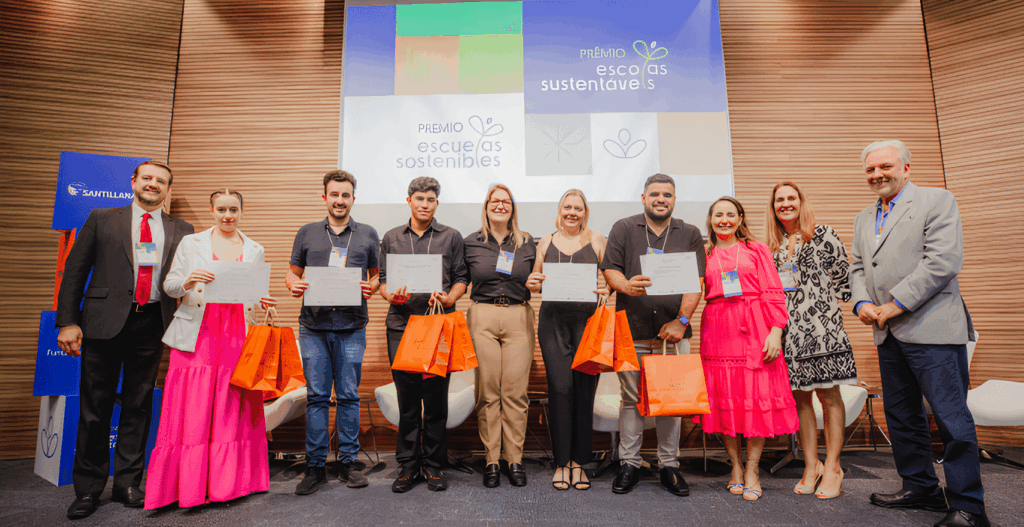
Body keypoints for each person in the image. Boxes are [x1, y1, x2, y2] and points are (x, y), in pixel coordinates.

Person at [851, 140, 986, 527]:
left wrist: (895, 303)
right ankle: (920, 487)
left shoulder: (937, 201)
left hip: (932, 329)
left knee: (951, 419)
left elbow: (943, 260)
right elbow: (857, 267)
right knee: (902, 416)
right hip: (886, 332)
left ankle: (969, 508)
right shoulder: (864, 217)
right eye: (870, 169)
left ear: (906, 168)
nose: (877, 174)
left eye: (885, 167)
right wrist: (861, 304)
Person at [55, 161, 194, 520]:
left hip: (152, 324)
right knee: (94, 408)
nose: (153, 184)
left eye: (161, 181)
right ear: (133, 182)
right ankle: (87, 489)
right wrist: (68, 321)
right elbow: (74, 272)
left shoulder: (183, 229)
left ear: (167, 190)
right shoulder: (102, 218)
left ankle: (128, 483)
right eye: (147, 178)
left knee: (138, 405)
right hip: (101, 323)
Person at [144, 189, 276, 509]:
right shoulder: (192, 243)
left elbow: (252, 298)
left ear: (242, 211)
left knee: (231, 408)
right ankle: (188, 486)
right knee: (194, 407)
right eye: (221, 209)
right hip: (197, 332)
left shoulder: (254, 248)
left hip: (236, 334)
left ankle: (228, 484)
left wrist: (262, 300)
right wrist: (188, 281)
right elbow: (170, 285)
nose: (227, 215)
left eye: (233, 209)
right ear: (212, 210)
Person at [599, 174, 706, 497]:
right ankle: (629, 463)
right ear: (643, 197)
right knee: (630, 401)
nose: (661, 199)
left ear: (674, 199)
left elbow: (696, 282)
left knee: (671, 402)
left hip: (672, 336)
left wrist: (682, 321)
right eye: (655, 194)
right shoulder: (624, 228)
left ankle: (669, 466)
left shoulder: (689, 233)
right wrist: (625, 285)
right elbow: (610, 269)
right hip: (631, 329)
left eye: (667, 195)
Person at [698, 196, 798, 502]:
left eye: (730, 214)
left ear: (740, 218)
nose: (724, 220)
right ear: (711, 220)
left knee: (755, 399)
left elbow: (772, 290)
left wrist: (776, 331)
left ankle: (753, 469)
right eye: (718, 215)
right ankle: (736, 468)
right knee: (725, 399)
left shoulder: (756, 250)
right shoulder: (703, 252)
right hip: (717, 328)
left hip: (755, 327)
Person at [286, 170, 380, 495]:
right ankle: (315, 467)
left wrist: (374, 287)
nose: (340, 200)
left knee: (350, 395)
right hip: (313, 327)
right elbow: (291, 273)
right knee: (316, 397)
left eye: (346, 195)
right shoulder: (307, 232)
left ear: (353, 198)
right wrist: (293, 285)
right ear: (324, 197)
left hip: (353, 328)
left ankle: (349, 462)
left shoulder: (367, 233)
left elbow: (376, 275)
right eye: (334, 194)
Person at [766, 182, 858, 499]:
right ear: (773, 206)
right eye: (780, 200)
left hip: (823, 330)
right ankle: (811, 464)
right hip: (788, 334)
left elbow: (846, 277)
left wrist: (862, 307)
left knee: (829, 397)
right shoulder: (771, 245)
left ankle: (833, 467)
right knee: (800, 400)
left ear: (801, 202)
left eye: (791, 198)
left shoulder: (823, 234)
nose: (786, 203)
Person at [378, 177, 469, 493]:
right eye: (419, 198)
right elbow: (384, 282)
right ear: (409, 201)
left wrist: (450, 297)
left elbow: (461, 279)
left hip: (438, 326)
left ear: (436, 203)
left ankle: (433, 465)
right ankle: (407, 465)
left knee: (435, 400)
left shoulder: (451, 237)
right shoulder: (391, 238)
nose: (425, 204)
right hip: (401, 327)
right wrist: (391, 296)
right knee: (407, 402)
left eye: (431, 199)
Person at [526, 189, 608, 491]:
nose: (572, 212)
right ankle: (561, 462)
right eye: (567, 207)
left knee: (585, 391)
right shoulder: (545, 241)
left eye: (578, 208)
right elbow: (535, 282)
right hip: (553, 325)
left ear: (585, 212)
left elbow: (610, 280)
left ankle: (579, 463)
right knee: (560, 390)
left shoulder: (598, 240)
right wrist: (533, 284)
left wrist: (606, 291)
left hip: (587, 324)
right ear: (559, 210)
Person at [464, 184, 537, 488]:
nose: (500, 205)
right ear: (486, 206)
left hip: (519, 315)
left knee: (515, 393)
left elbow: (541, 279)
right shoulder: (470, 243)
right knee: (488, 392)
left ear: (512, 207)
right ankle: (492, 460)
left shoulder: (528, 242)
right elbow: (456, 279)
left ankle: (515, 459)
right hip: (482, 315)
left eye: (506, 201)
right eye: (495, 201)